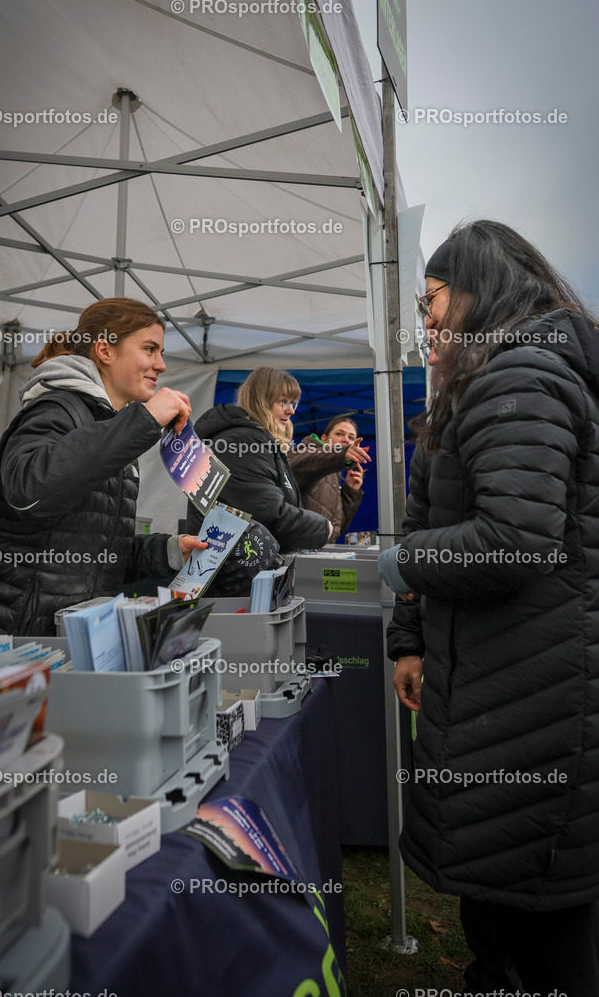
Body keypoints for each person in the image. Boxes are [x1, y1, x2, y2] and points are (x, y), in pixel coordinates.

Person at [378, 220, 599, 997]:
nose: (427, 316)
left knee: (542, 901)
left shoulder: (522, 375)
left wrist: (395, 566)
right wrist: (409, 637)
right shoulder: (493, 374)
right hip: (500, 679)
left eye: (432, 297)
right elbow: (438, 518)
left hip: (527, 689)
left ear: (474, 287)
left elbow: (515, 536)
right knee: (505, 887)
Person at [0, 298, 207, 641]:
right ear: (105, 350)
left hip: (50, 648)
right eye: (149, 349)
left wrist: (170, 549)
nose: (161, 365)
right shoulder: (57, 408)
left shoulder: (113, 431)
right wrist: (143, 421)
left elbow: (96, 551)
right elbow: (28, 491)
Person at [186, 367, 331, 552]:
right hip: (230, 569)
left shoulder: (253, 439)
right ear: (261, 401)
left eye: (293, 403)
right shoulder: (243, 440)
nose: (291, 411)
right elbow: (268, 515)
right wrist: (321, 527)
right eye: (284, 402)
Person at [288, 415, 370, 540]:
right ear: (324, 439)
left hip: (321, 553)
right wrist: (341, 454)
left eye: (351, 437)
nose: (346, 440)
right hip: (299, 551)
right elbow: (299, 464)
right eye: (339, 434)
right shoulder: (307, 450)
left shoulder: (334, 473)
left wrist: (350, 491)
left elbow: (336, 530)